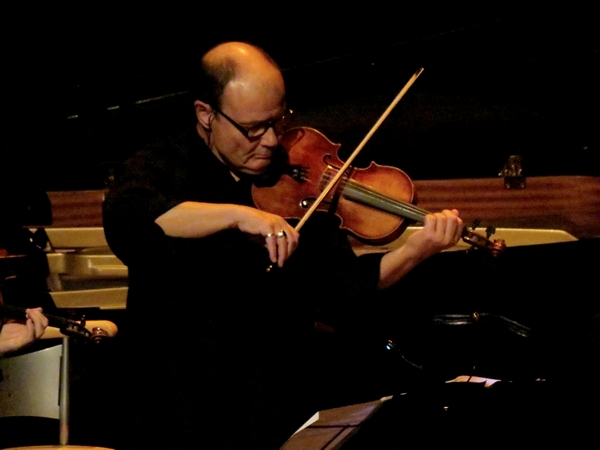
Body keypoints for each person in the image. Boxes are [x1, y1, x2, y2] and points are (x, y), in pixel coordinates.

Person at [103, 41, 463, 449]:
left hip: (274, 402)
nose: (273, 140)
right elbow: (130, 218)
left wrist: (418, 249)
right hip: (179, 402)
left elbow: (343, 287)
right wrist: (239, 215)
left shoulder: (297, 180)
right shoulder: (164, 163)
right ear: (206, 114)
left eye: (280, 121)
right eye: (254, 129)